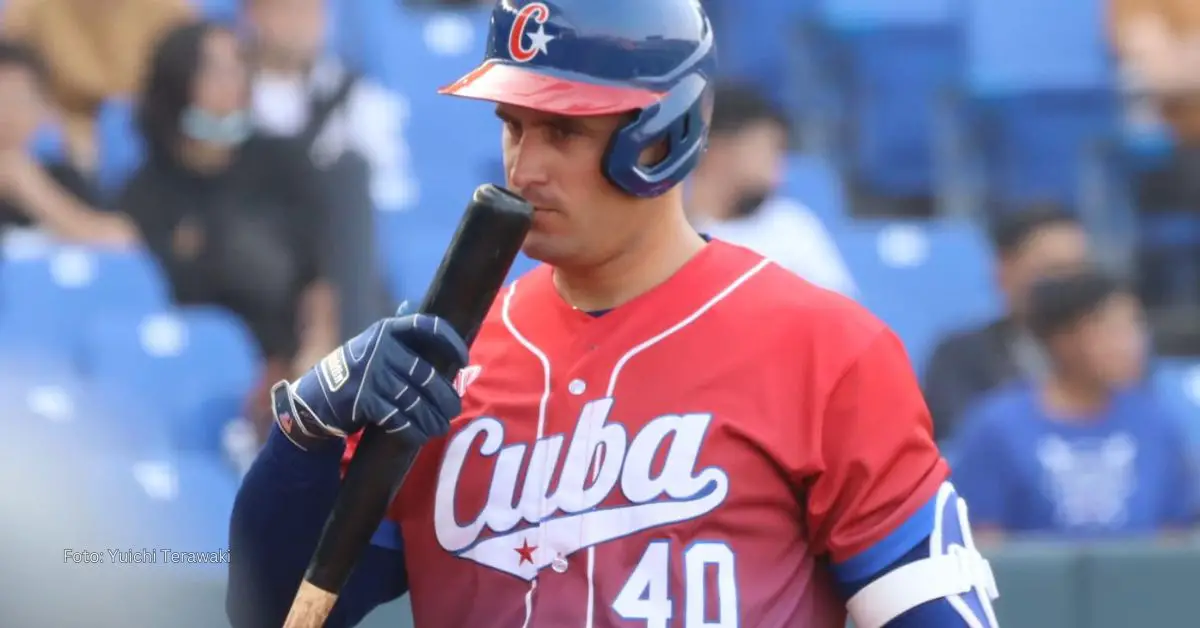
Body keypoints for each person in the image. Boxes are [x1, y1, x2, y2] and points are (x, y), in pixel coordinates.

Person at [227, 1, 999, 627]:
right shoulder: (447, 363)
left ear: (663, 134)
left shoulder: (825, 349)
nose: (525, 168)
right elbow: (274, 615)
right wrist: (306, 432)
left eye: (564, 130)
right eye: (513, 126)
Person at [116, 20, 333, 440]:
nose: (232, 83)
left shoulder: (283, 163)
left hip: (285, 372)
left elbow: (318, 277)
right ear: (178, 84)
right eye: (213, 71)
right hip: (191, 373)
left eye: (238, 67)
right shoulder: (146, 191)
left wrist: (310, 358)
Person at [950, 269, 1198, 542]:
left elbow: (1176, 540)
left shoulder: (1158, 423)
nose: (1133, 344)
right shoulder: (997, 426)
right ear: (1063, 339)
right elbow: (984, 540)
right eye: (1113, 330)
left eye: (1136, 327)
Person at [242, 0, 403, 337]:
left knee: (350, 175)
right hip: (254, 253)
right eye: (288, 10)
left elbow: (386, 192)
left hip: (331, 255)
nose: (302, 24)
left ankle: (356, 345)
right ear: (253, 15)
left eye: (312, 11)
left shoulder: (355, 95)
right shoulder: (229, 88)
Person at [923, 207, 1091, 441]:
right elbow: (965, 441)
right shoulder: (960, 356)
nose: (1068, 286)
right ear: (1004, 271)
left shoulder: (1110, 356)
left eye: (1078, 272)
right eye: (1053, 271)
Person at [687, 81, 857, 296]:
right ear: (717, 149)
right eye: (767, 148)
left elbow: (838, 316)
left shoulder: (790, 226)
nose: (778, 164)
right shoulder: (672, 230)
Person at [1, 0, 192, 172]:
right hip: (55, 124)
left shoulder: (170, 10)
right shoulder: (28, 10)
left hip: (149, 125)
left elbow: (185, 87)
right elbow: (14, 82)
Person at [0, 38, 135, 247]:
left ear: (42, 110)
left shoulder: (60, 176)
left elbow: (121, 242)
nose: (6, 116)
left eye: (17, 101)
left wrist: (35, 193)